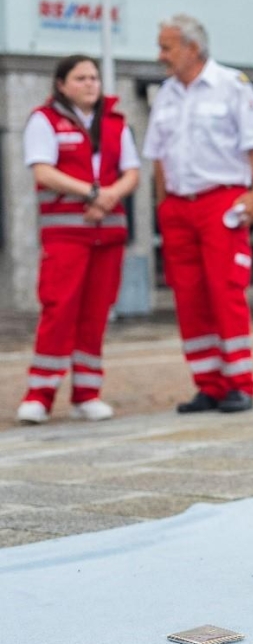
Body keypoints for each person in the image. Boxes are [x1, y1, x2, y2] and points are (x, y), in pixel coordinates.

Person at [143, 14, 253, 414]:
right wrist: (164, 204)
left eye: (167, 47)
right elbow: (158, 155)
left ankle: (240, 383)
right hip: (179, 206)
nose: (160, 55)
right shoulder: (165, 94)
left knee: (224, 289)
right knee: (188, 295)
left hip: (222, 201)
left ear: (191, 49)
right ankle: (208, 384)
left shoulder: (232, 86)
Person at [15, 55, 140, 425]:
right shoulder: (44, 120)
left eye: (94, 78)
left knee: (96, 314)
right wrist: (93, 192)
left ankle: (87, 393)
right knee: (59, 309)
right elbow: (43, 170)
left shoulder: (117, 122)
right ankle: (40, 394)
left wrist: (109, 196)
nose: (91, 84)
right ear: (61, 84)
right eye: (81, 78)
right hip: (66, 234)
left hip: (109, 235)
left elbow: (132, 172)